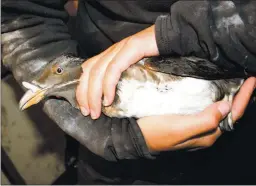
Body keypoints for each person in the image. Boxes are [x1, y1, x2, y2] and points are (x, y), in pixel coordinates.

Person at [2, 0, 256, 184]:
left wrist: (176, 34)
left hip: (237, 142)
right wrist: (113, 136)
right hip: (120, 170)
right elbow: (22, 17)